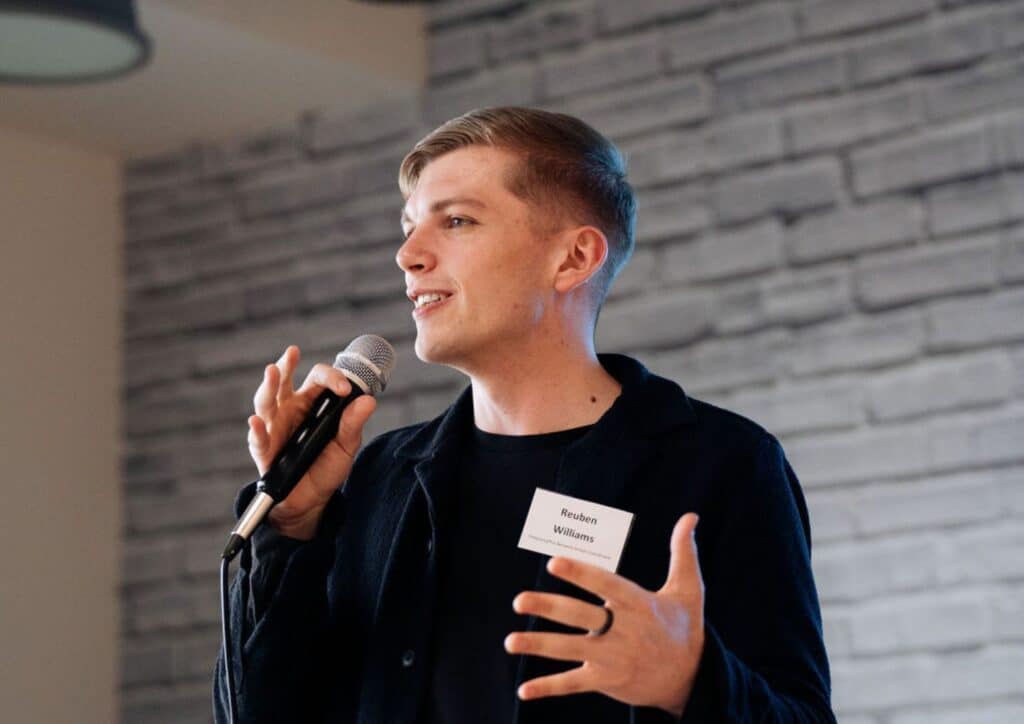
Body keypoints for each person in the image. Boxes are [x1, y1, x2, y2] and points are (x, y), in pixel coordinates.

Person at [213, 106, 837, 723]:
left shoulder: (722, 464)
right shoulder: (383, 476)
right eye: (408, 227)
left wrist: (690, 683)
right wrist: (290, 529)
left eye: (455, 221)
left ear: (573, 259)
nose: (408, 255)